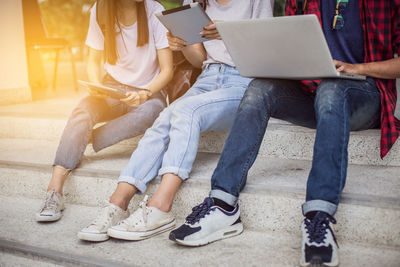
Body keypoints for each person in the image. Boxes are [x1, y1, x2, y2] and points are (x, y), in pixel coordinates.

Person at [171, 1, 400, 266]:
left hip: (364, 96)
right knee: (259, 89)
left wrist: (356, 68)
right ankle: (223, 204)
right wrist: (235, 34)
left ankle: (318, 217)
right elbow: (280, 51)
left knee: (332, 91)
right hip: (313, 94)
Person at [77, 0, 273, 242]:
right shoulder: (194, 2)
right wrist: (182, 44)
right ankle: (118, 202)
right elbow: (198, 61)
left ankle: (161, 206)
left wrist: (229, 34)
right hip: (208, 77)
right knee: (163, 119)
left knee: (186, 110)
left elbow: (266, 51)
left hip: (244, 81)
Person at [36, 0, 173, 223]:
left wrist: (145, 93)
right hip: (112, 87)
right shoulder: (100, 10)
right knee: (83, 109)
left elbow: (167, 71)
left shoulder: (155, 11)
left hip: (148, 91)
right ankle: (55, 191)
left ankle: (77, 140)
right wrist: (95, 86)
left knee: (150, 114)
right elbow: (93, 61)